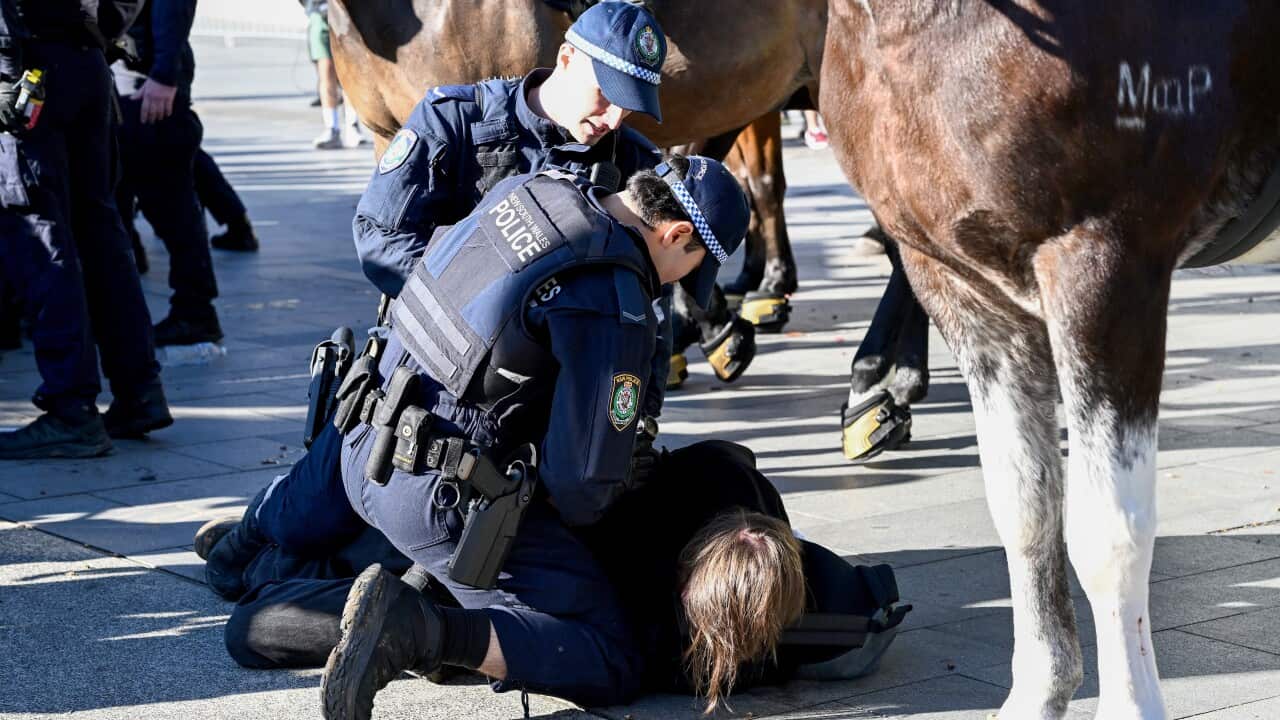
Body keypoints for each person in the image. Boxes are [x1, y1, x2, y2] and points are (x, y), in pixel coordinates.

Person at [216, 441, 908, 713]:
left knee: (270, 607)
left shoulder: (723, 487)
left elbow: (870, 602)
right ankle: (259, 556)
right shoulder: (654, 642)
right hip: (498, 553)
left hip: (480, 539)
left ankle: (256, 555)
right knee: (256, 623)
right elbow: (871, 611)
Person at [0, 0, 173, 459]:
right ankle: (139, 391)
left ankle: (71, 409)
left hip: (28, 69)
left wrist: (3, 71)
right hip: (84, 63)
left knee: (40, 238)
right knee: (100, 234)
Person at [113, 0, 224, 346]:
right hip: (131, 76)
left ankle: (195, 312)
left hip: (147, 80)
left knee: (171, 203)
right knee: (131, 197)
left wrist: (163, 73)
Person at [304, 0, 365, 149]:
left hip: (347, 15)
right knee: (326, 73)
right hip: (320, 14)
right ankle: (331, 128)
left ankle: (352, 126)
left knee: (349, 72)